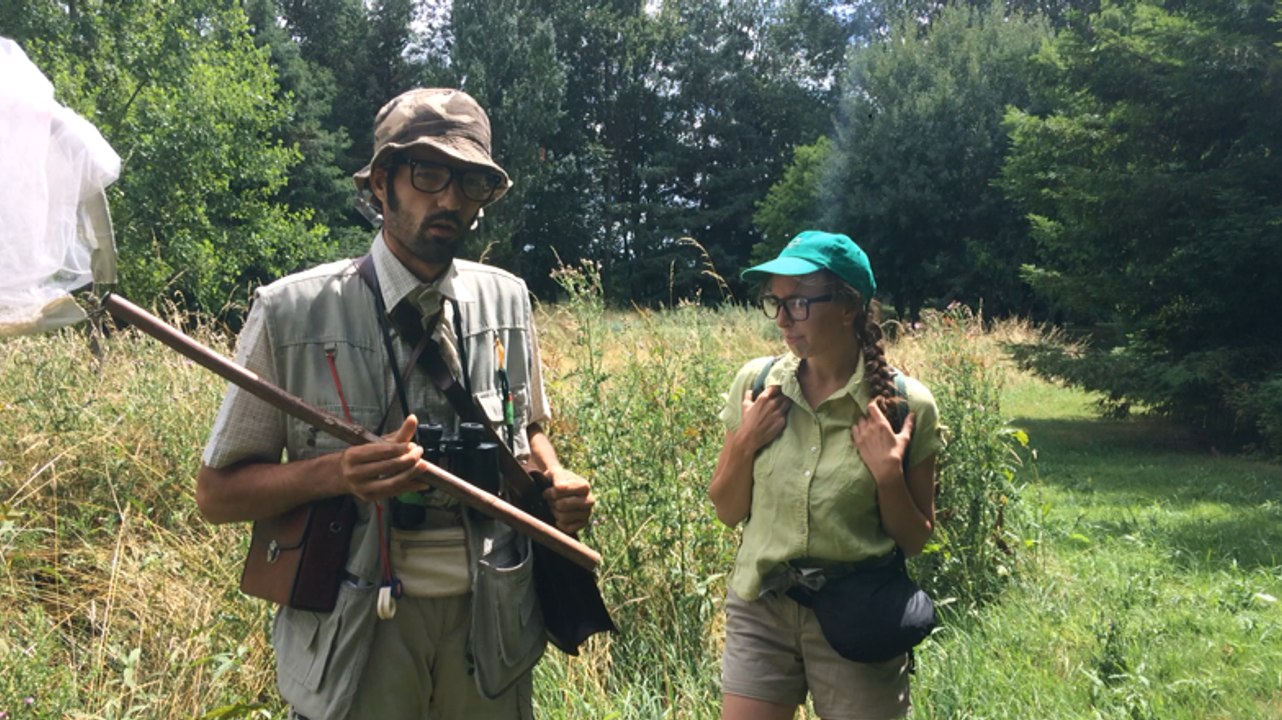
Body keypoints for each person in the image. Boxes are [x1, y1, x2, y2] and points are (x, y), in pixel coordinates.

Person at [196, 88, 595, 720]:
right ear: (382, 183)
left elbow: (527, 429)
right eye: (429, 174)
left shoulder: (508, 301)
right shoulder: (292, 313)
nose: (450, 200)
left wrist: (556, 475)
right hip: (357, 634)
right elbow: (217, 495)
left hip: (491, 629)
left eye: (470, 182)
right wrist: (337, 473)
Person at [708, 230, 945, 720]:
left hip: (860, 613)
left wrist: (888, 476)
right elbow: (727, 510)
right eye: (774, 302)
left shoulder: (905, 406)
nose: (782, 319)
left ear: (847, 307)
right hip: (762, 606)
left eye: (798, 303)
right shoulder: (757, 387)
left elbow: (916, 538)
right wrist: (745, 441)